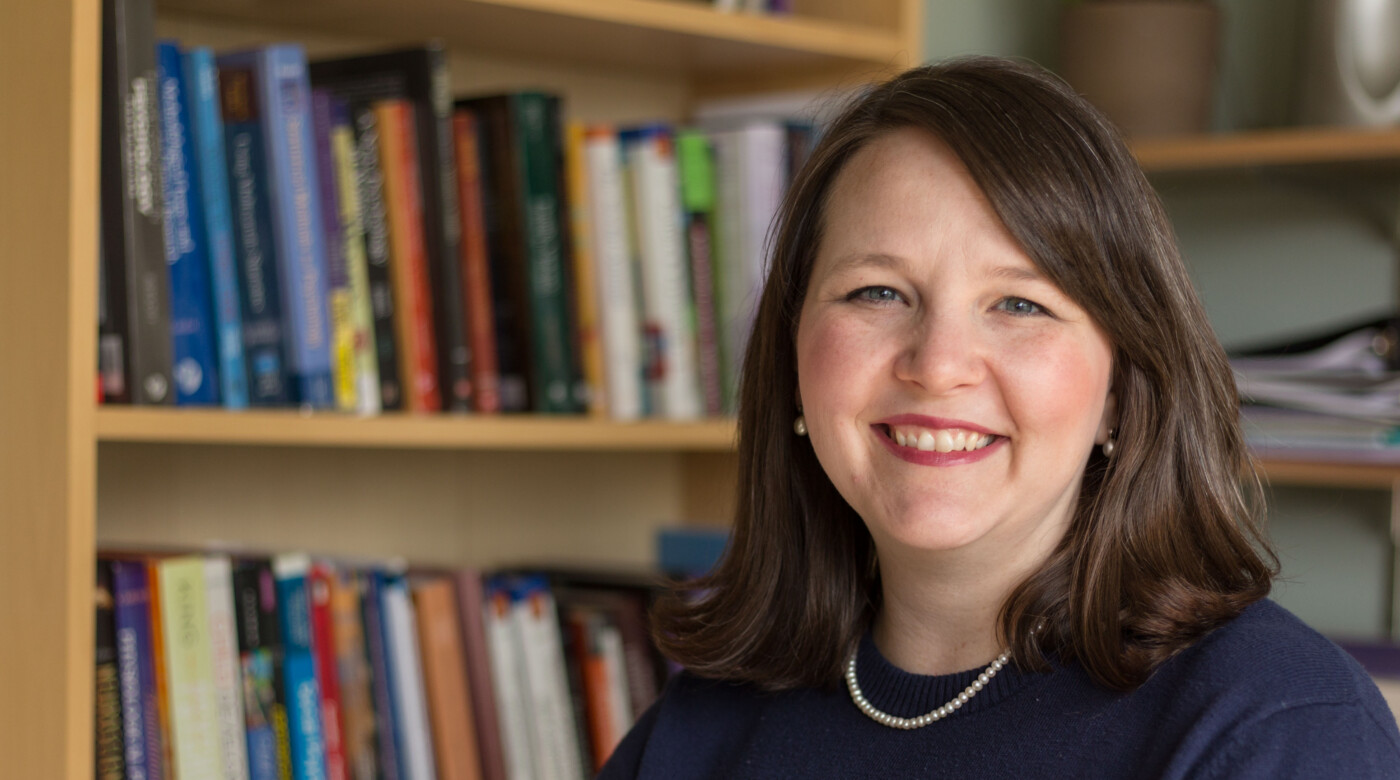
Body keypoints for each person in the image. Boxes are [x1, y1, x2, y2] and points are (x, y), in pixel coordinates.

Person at [598, 56, 1400, 778]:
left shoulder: (1274, 726)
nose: (938, 363)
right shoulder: (707, 718)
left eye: (1020, 303)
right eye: (877, 292)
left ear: (1120, 391)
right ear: (794, 356)